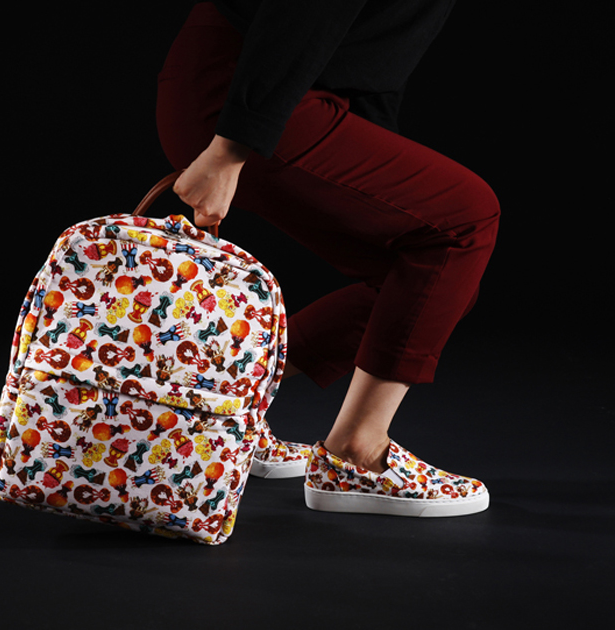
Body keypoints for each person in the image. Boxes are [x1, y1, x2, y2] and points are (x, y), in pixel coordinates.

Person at [156, 0, 499, 517]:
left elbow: (379, 53)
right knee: (465, 218)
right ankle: (357, 451)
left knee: (432, 285)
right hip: (244, 87)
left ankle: (209, 402)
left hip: (274, 87)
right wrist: (231, 146)